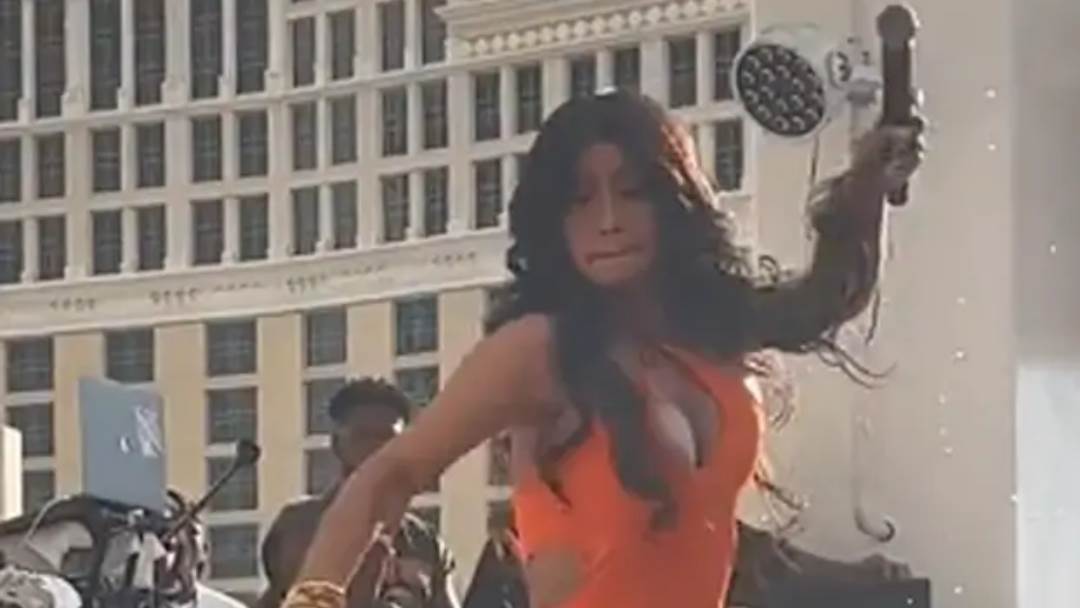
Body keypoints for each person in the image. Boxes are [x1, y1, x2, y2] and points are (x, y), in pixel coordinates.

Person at [282, 90, 923, 608]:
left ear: (675, 202)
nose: (609, 219)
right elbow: (391, 472)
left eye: (634, 191)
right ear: (553, 219)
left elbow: (823, 301)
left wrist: (867, 186)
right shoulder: (538, 350)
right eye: (580, 200)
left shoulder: (711, 329)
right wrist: (314, 598)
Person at [257, 378, 458, 608]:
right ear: (336, 444)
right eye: (362, 436)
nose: (375, 448)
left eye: (387, 438)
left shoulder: (424, 541)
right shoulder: (298, 525)